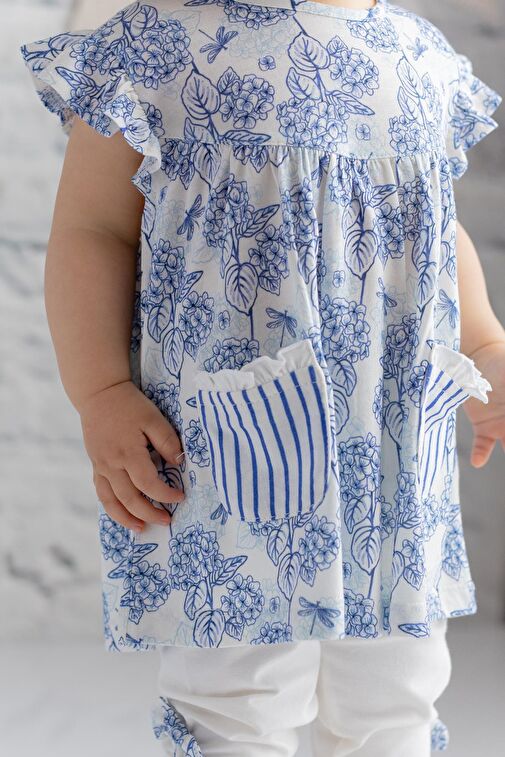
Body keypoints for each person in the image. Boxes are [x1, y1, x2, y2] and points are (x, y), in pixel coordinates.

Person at [20, 0, 504, 754]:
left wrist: (484, 340)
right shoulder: (154, 49)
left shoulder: (419, 55)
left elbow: (440, 223)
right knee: (239, 691)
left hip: (392, 451)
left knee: (395, 688)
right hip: (228, 440)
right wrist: (101, 391)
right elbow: (93, 229)